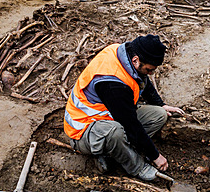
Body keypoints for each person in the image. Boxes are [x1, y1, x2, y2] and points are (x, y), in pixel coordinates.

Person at [64, 35, 184, 181]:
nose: (151, 74)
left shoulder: (125, 54)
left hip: (110, 114)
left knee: (159, 115)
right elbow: (130, 124)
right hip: (83, 130)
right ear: (136, 61)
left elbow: (142, 79)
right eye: (149, 69)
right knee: (114, 133)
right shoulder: (112, 83)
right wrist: (155, 156)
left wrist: (161, 104)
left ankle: (115, 152)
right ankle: (137, 167)